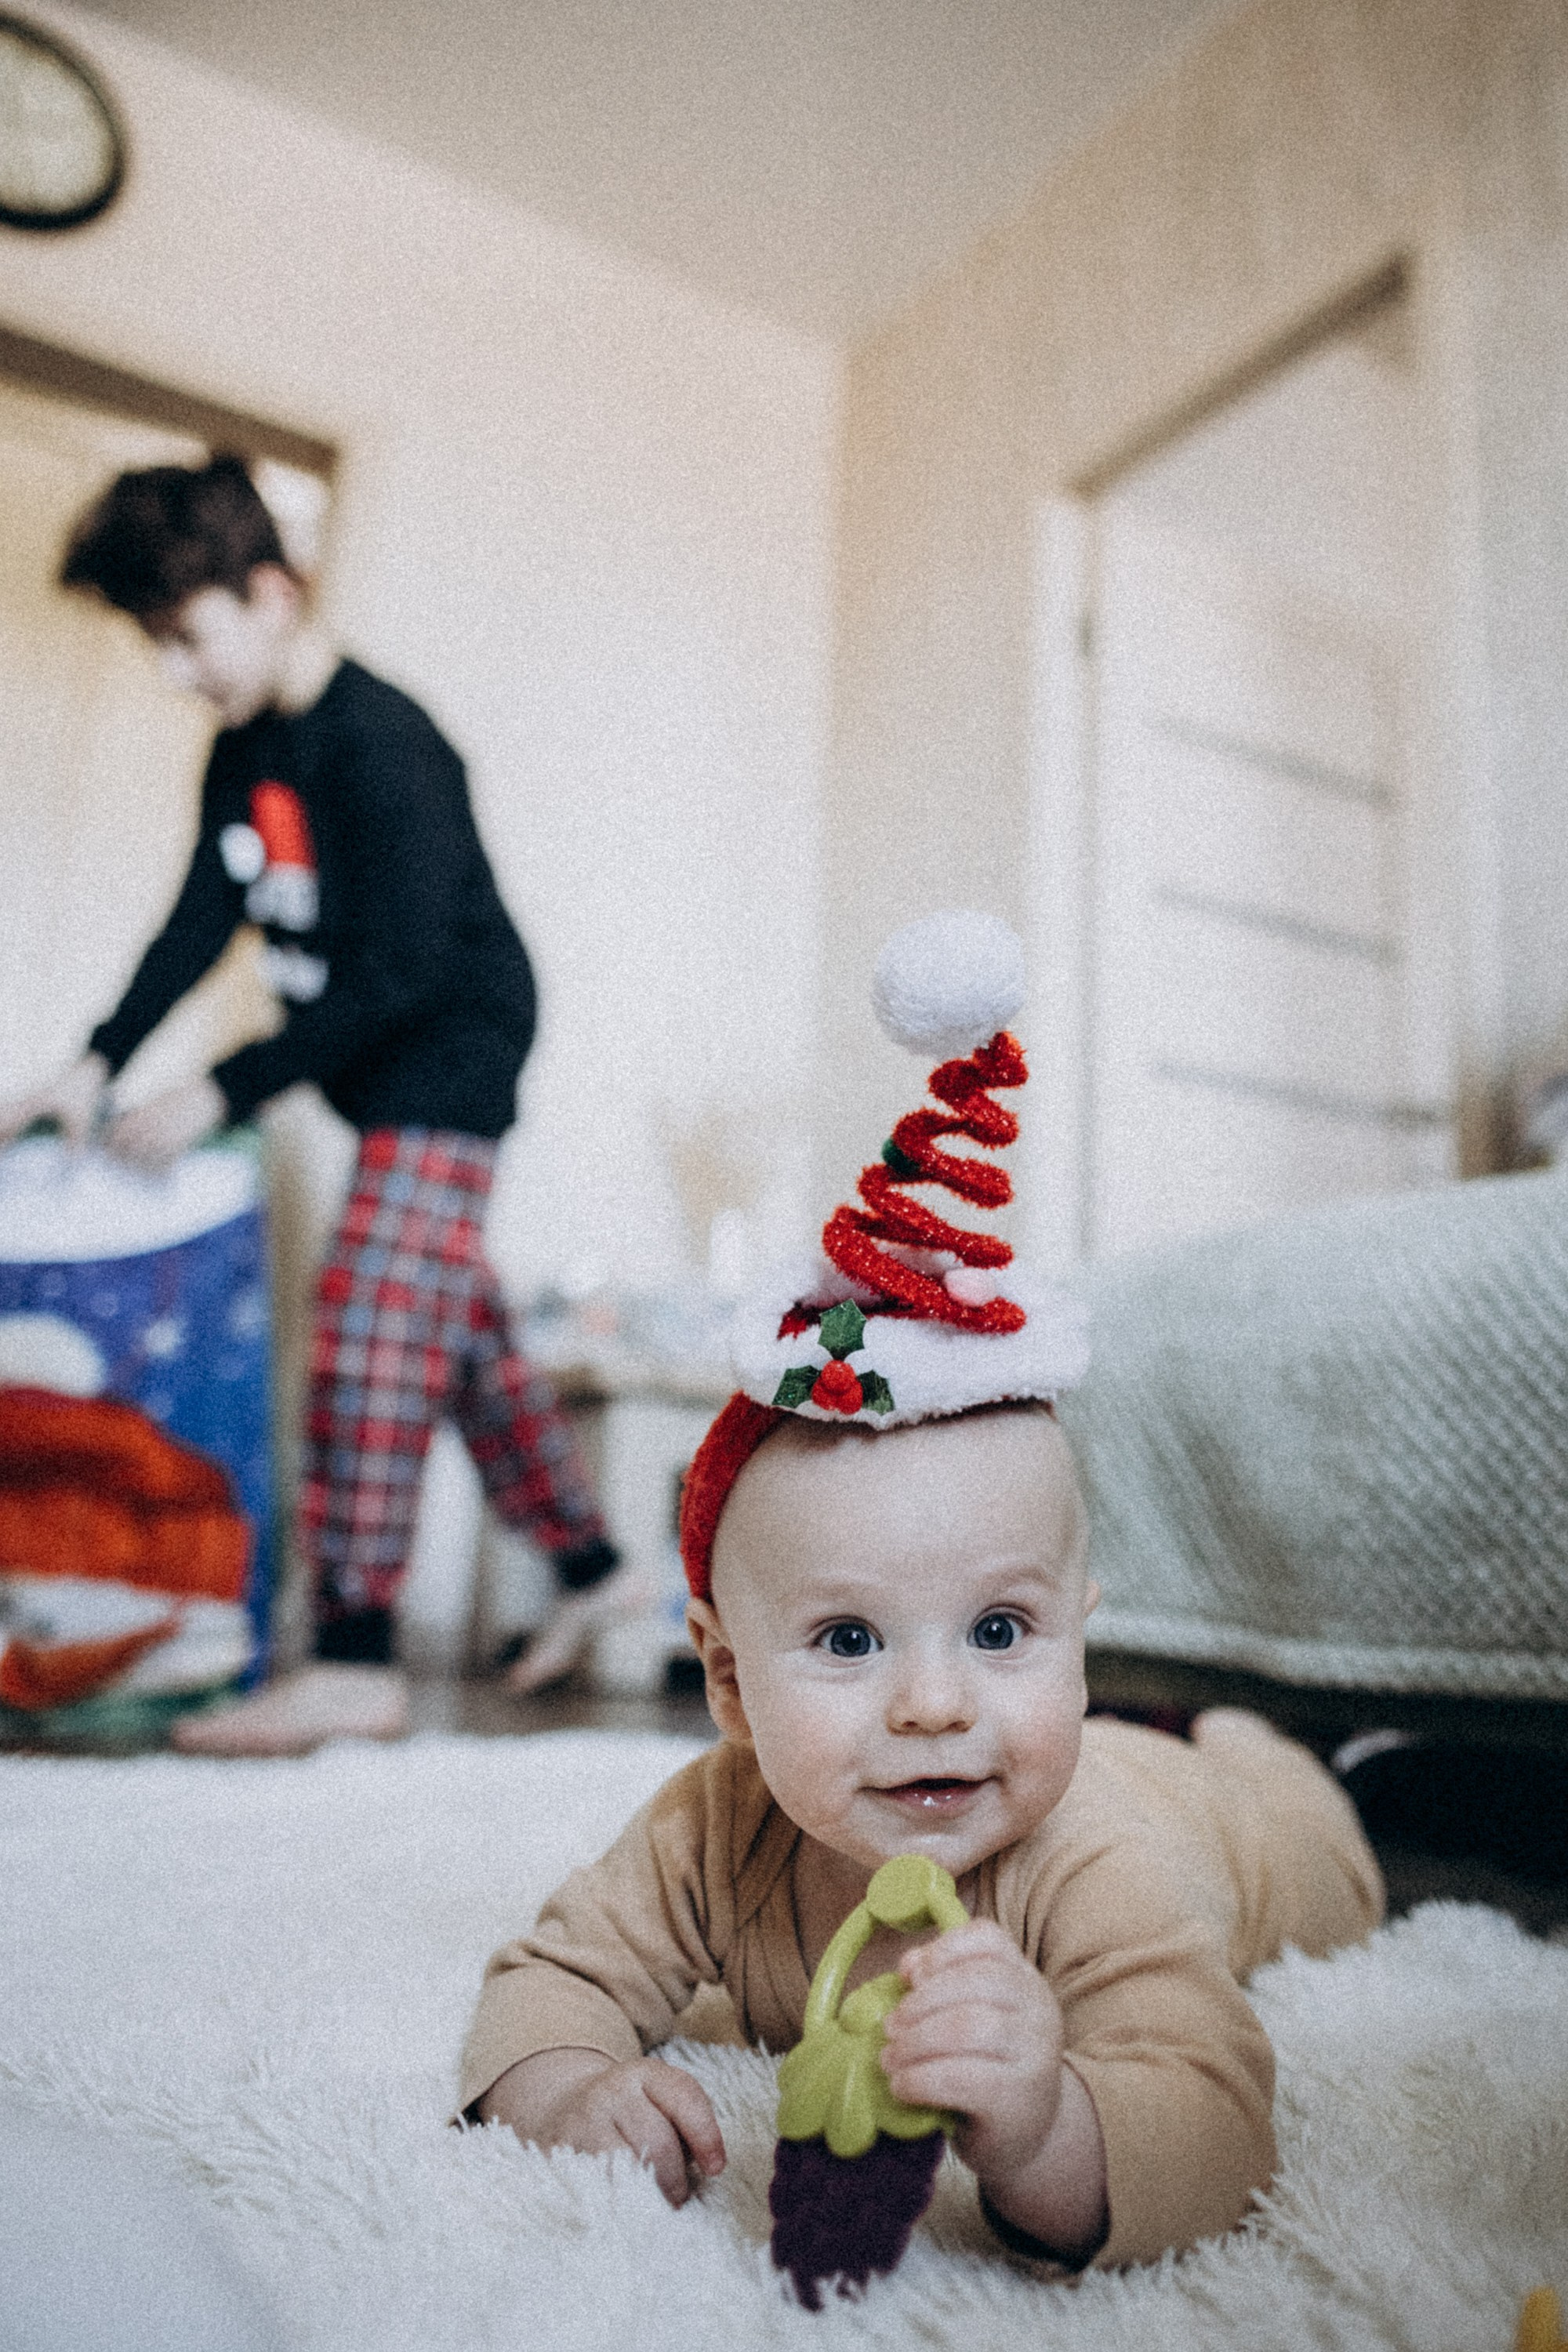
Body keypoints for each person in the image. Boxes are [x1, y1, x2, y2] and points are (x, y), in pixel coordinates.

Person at [455, 913, 1384, 2274]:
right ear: (728, 1681)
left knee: (1328, 1855)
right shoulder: (714, 1830)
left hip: (1218, 1820)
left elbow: (1220, 2125)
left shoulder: (1095, 1865)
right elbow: (551, 1977)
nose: (937, 1704)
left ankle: (1274, 1750)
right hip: (1098, 1753)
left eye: (1001, 1630)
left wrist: (1052, 2128)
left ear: (1079, 1638)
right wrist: (564, 2093)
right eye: (848, 1639)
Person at [0, 455, 644, 1751]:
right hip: (374, 1066)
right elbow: (202, 915)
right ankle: (597, 1571)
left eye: (188, 636)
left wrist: (221, 1086)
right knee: (452, 1328)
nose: (175, 670)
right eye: (154, 643)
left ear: (273, 593)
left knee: (364, 1320)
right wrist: (98, 1058)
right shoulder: (243, 754)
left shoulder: (387, 744)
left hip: (452, 1047)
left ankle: (355, 1659)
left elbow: (405, 971)